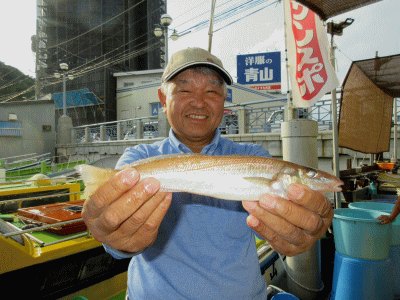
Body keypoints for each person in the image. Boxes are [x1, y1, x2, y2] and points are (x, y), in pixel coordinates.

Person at [81, 47, 334, 299]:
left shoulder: (254, 156)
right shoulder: (137, 159)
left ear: (225, 99)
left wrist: (297, 232)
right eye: (185, 89)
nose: (199, 102)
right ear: (162, 98)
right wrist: (116, 237)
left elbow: (276, 230)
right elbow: (115, 245)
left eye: (212, 91)